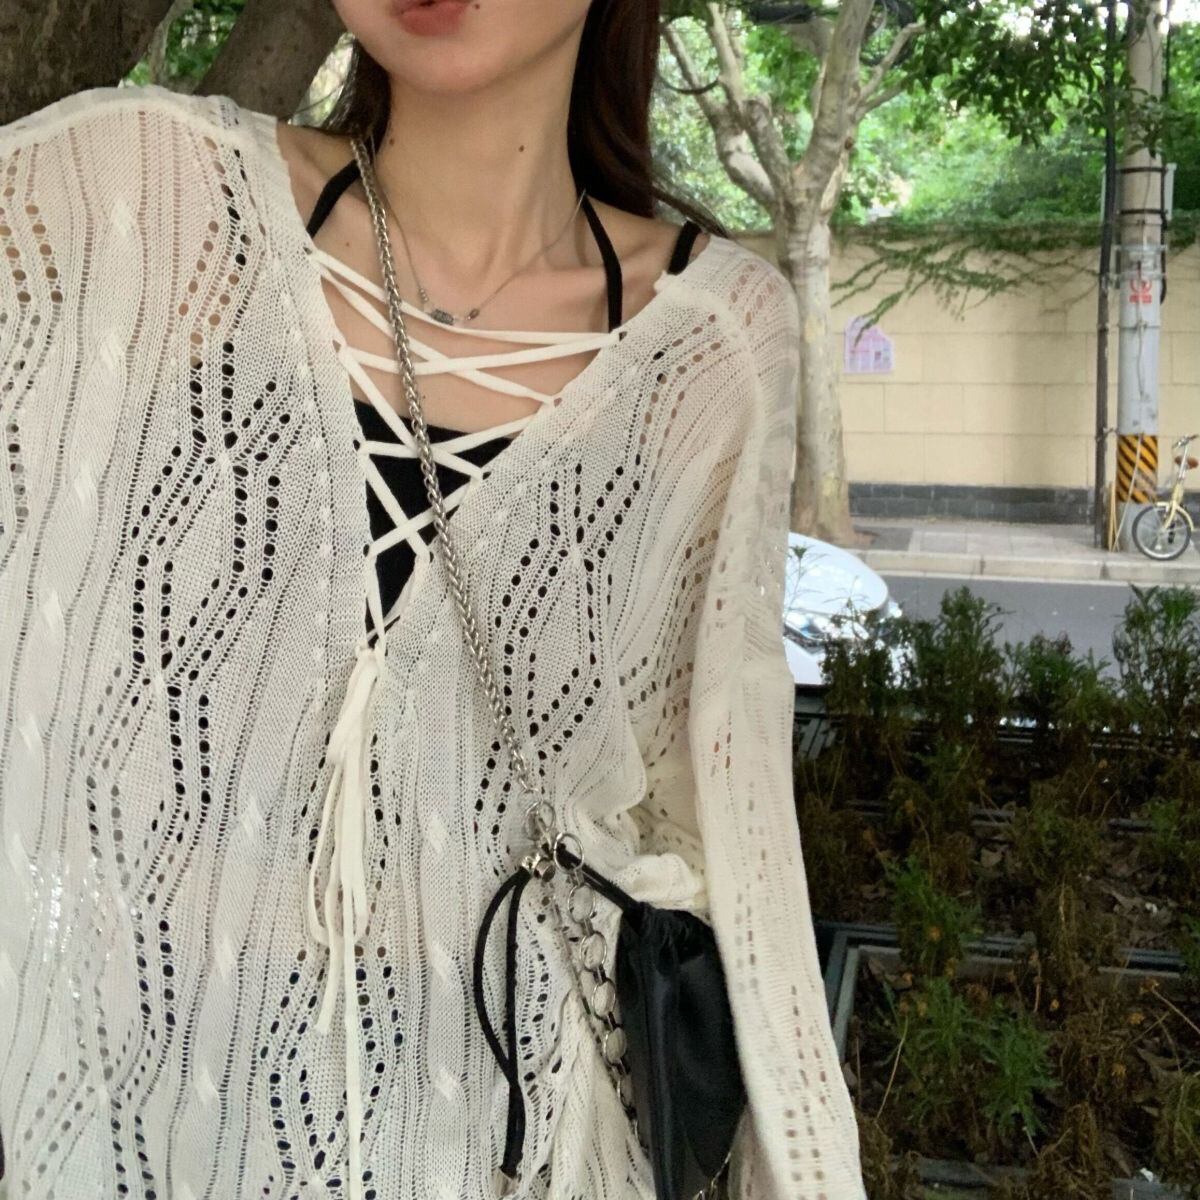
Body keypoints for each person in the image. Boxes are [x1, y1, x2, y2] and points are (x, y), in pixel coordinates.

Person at [0, 1, 866, 1198]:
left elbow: (721, 834)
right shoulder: (134, 201)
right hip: (142, 1128)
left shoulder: (716, 351)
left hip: (508, 1146)